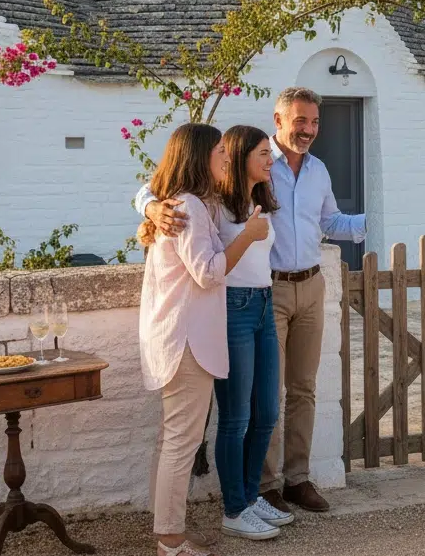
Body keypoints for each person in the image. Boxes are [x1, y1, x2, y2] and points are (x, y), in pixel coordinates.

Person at [138, 87, 365, 515]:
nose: (309, 130)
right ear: (279, 120)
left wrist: (386, 220)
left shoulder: (316, 171)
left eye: (315, 122)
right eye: (300, 121)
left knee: (303, 389)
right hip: (261, 295)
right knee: (259, 402)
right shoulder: (237, 163)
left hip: (310, 285)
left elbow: (330, 221)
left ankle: (296, 479)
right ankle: (261, 487)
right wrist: (151, 207)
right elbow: (166, 183)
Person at [139, 123, 250, 556]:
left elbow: (144, 190)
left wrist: (146, 204)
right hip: (187, 342)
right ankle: (169, 538)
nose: (226, 156)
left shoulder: (195, 202)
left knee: (172, 437)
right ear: (200, 155)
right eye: (220, 150)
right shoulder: (187, 206)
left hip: (178, 337)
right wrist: (248, 238)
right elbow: (208, 272)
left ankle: (165, 527)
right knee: (181, 439)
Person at [211, 126, 295, 539]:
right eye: (263, 152)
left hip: (264, 303)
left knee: (267, 412)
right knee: (236, 417)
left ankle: (248, 496)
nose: (269, 159)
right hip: (232, 309)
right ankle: (233, 509)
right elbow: (151, 193)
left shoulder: (257, 199)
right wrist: (153, 208)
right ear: (241, 155)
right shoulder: (214, 202)